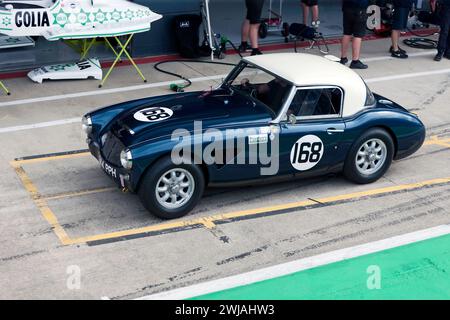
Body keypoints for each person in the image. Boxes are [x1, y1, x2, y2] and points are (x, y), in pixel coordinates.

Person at [340, 0, 369, 69]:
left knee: (346, 33)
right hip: (360, 7)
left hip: (347, 7)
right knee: (358, 35)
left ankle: (343, 58)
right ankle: (355, 61)